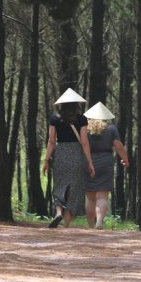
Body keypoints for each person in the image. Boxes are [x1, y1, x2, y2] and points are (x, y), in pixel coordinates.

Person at [42, 88, 95, 228]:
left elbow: (51, 141)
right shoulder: (82, 119)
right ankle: (66, 223)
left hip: (60, 154)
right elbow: (84, 142)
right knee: (74, 188)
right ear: (76, 104)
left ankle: (58, 211)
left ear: (62, 104)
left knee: (59, 185)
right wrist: (90, 162)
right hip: (76, 155)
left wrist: (46, 160)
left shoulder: (54, 119)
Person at [83, 101, 130, 229]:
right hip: (105, 162)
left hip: (88, 162)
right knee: (102, 196)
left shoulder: (85, 129)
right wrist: (125, 159)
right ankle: (99, 222)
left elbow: (82, 145)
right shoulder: (111, 129)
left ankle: (90, 224)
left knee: (90, 197)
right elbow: (119, 146)